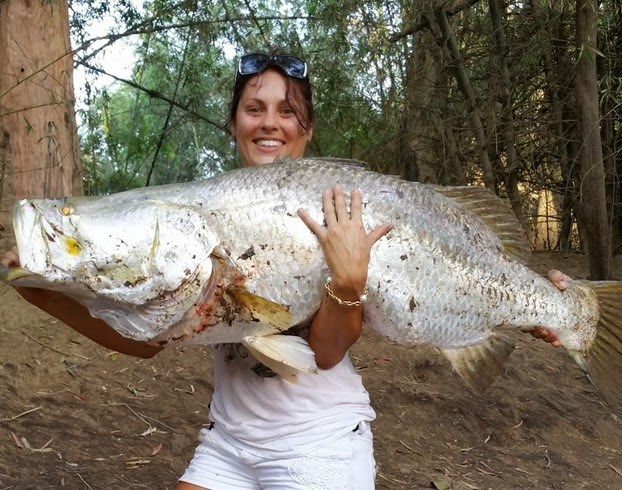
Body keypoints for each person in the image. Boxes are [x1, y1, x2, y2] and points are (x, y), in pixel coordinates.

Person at [0, 52, 565, 489]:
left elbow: (321, 354)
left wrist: (347, 288)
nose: (270, 123)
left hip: (320, 444)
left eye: (287, 111)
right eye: (254, 109)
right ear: (234, 124)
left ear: (307, 130)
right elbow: (146, 343)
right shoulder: (213, 206)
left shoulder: (338, 209)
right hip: (229, 441)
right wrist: (44, 292)